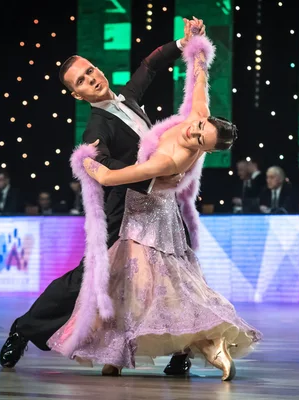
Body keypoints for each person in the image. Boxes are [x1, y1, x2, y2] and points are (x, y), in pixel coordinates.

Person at [48, 29, 261, 381]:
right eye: (200, 126)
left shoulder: (170, 162)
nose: (194, 130)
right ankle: (121, 353)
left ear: (204, 149)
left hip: (146, 217)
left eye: (199, 138)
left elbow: (115, 177)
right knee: (133, 286)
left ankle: (203, 345)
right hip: (151, 214)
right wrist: (194, 50)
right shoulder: (197, 115)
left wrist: (87, 163)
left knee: (155, 289)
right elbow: (196, 84)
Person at [0, 17, 205, 375]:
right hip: (124, 211)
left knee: (180, 270)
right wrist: (154, 177)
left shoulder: (126, 96)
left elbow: (150, 65)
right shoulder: (97, 126)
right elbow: (104, 169)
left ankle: (181, 350)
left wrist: (183, 42)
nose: (91, 78)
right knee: (87, 280)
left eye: (90, 70)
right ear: (77, 94)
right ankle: (25, 327)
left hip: (159, 207)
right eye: (82, 80)